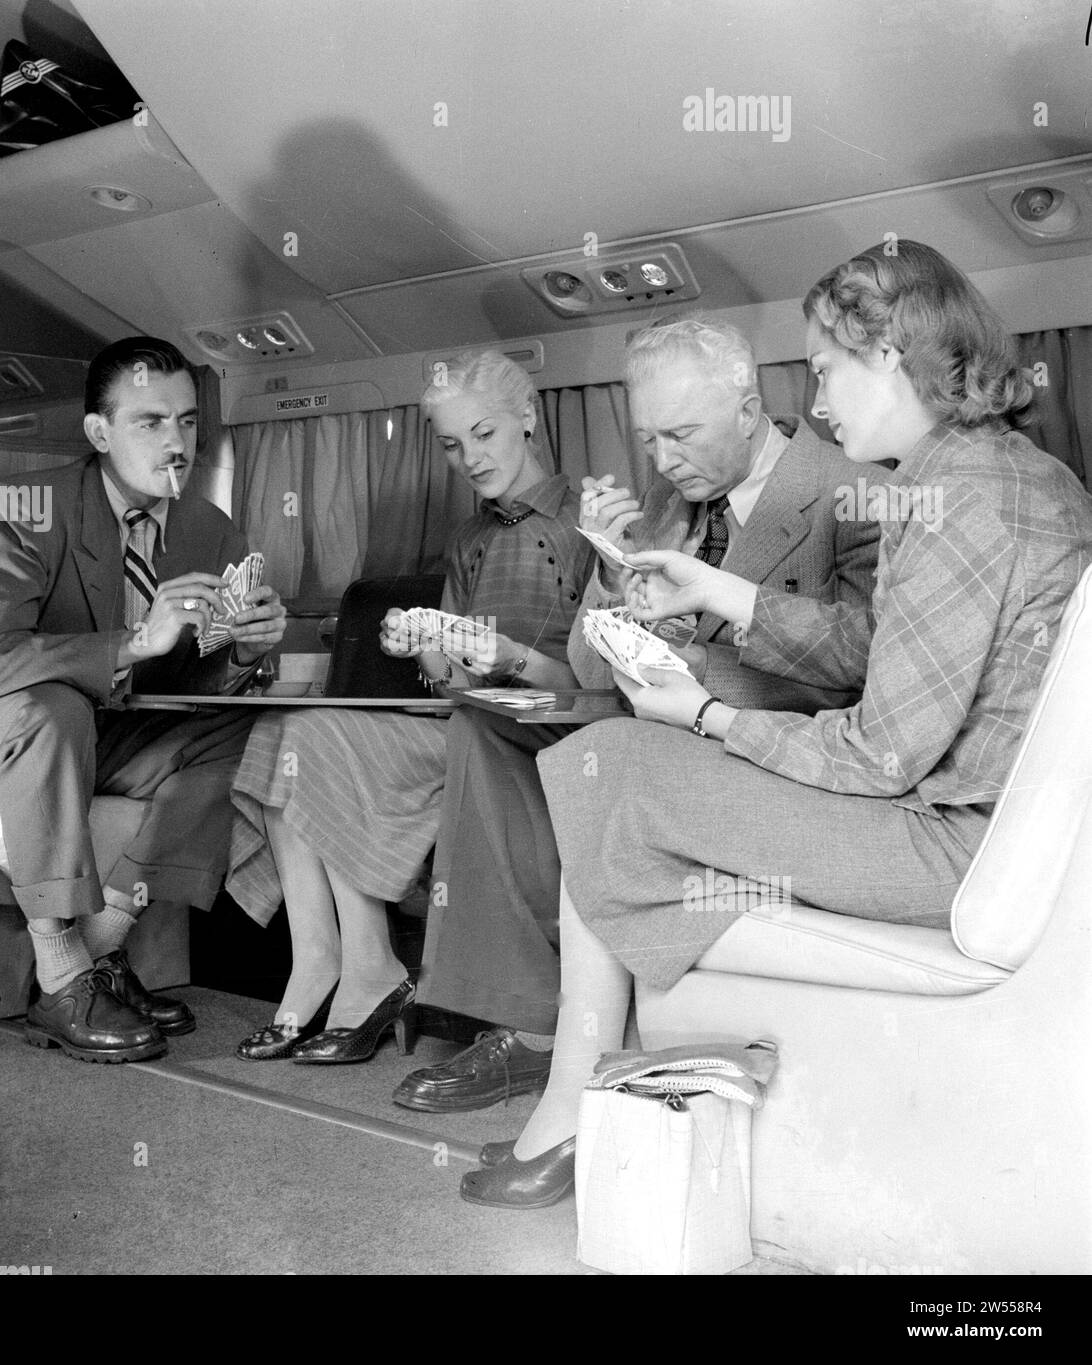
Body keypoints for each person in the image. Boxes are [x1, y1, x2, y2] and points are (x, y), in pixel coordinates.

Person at [461, 240, 1092, 1208]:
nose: (823, 402)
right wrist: (723, 592)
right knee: (611, 764)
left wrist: (710, 715)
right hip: (964, 819)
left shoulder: (957, 498)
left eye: (830, 370)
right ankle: (588, 1091)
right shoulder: (999, 472)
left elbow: (881, 751)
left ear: (890, 354)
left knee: (604, 768)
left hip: (950, 844)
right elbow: (880, 643)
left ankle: (572, 1107)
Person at [394, 316, 884, 1115]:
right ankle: (520, 1018)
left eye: (681, 435)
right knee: (488, 730)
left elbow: (865, 663)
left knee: (589, 751)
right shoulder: (669, 496)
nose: (662, 460)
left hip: (757, 746)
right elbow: (593, 667)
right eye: (648, 438)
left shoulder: (847, 490)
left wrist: (700, 665)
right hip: (647, 723)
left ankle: (550, 1046)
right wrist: (607, 571)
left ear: (751, 408)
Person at [0, 336, 287, 1064]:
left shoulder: (206, 527)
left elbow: (188, 681)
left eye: (189, 422)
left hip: (104, 733)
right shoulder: (25, 508)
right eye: (151, 421)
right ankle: (62, 972)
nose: (177, 443)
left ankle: (100, 950)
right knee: (52, 707)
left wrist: (249, 648)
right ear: (99, 434)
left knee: (247, 730)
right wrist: (135, 641)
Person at [226, 350, 592, 1063]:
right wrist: (426, 643)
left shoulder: (588, 522)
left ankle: (368, 972)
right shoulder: (468, 539)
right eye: (453, 445)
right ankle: (328, 961)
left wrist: (500, 655)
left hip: (539, 731)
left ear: (528, 418)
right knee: (283, 733)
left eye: (483, 434)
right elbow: (449, 677)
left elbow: (589, 679)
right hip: (462, 720)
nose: (469, 458)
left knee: (317, 742)